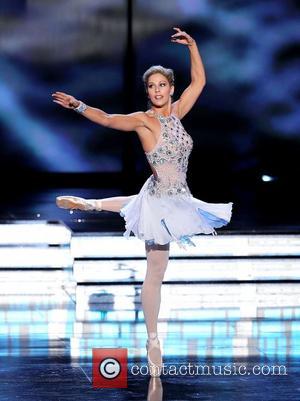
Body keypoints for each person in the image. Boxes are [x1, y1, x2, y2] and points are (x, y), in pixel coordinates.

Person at [52, 27, 233, 377]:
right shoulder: (144, 121)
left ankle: (91, 204)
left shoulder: (177, 113)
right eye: (151, 87)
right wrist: (78, 105)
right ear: (148, 92)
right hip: (159, 198)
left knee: (144, 218)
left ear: (170, 89)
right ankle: (153, 339)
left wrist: (193, 46)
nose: (157, 91)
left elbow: (199, 82)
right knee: (156, 271)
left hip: (179, 197)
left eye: (162, 85)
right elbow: (106, 118)